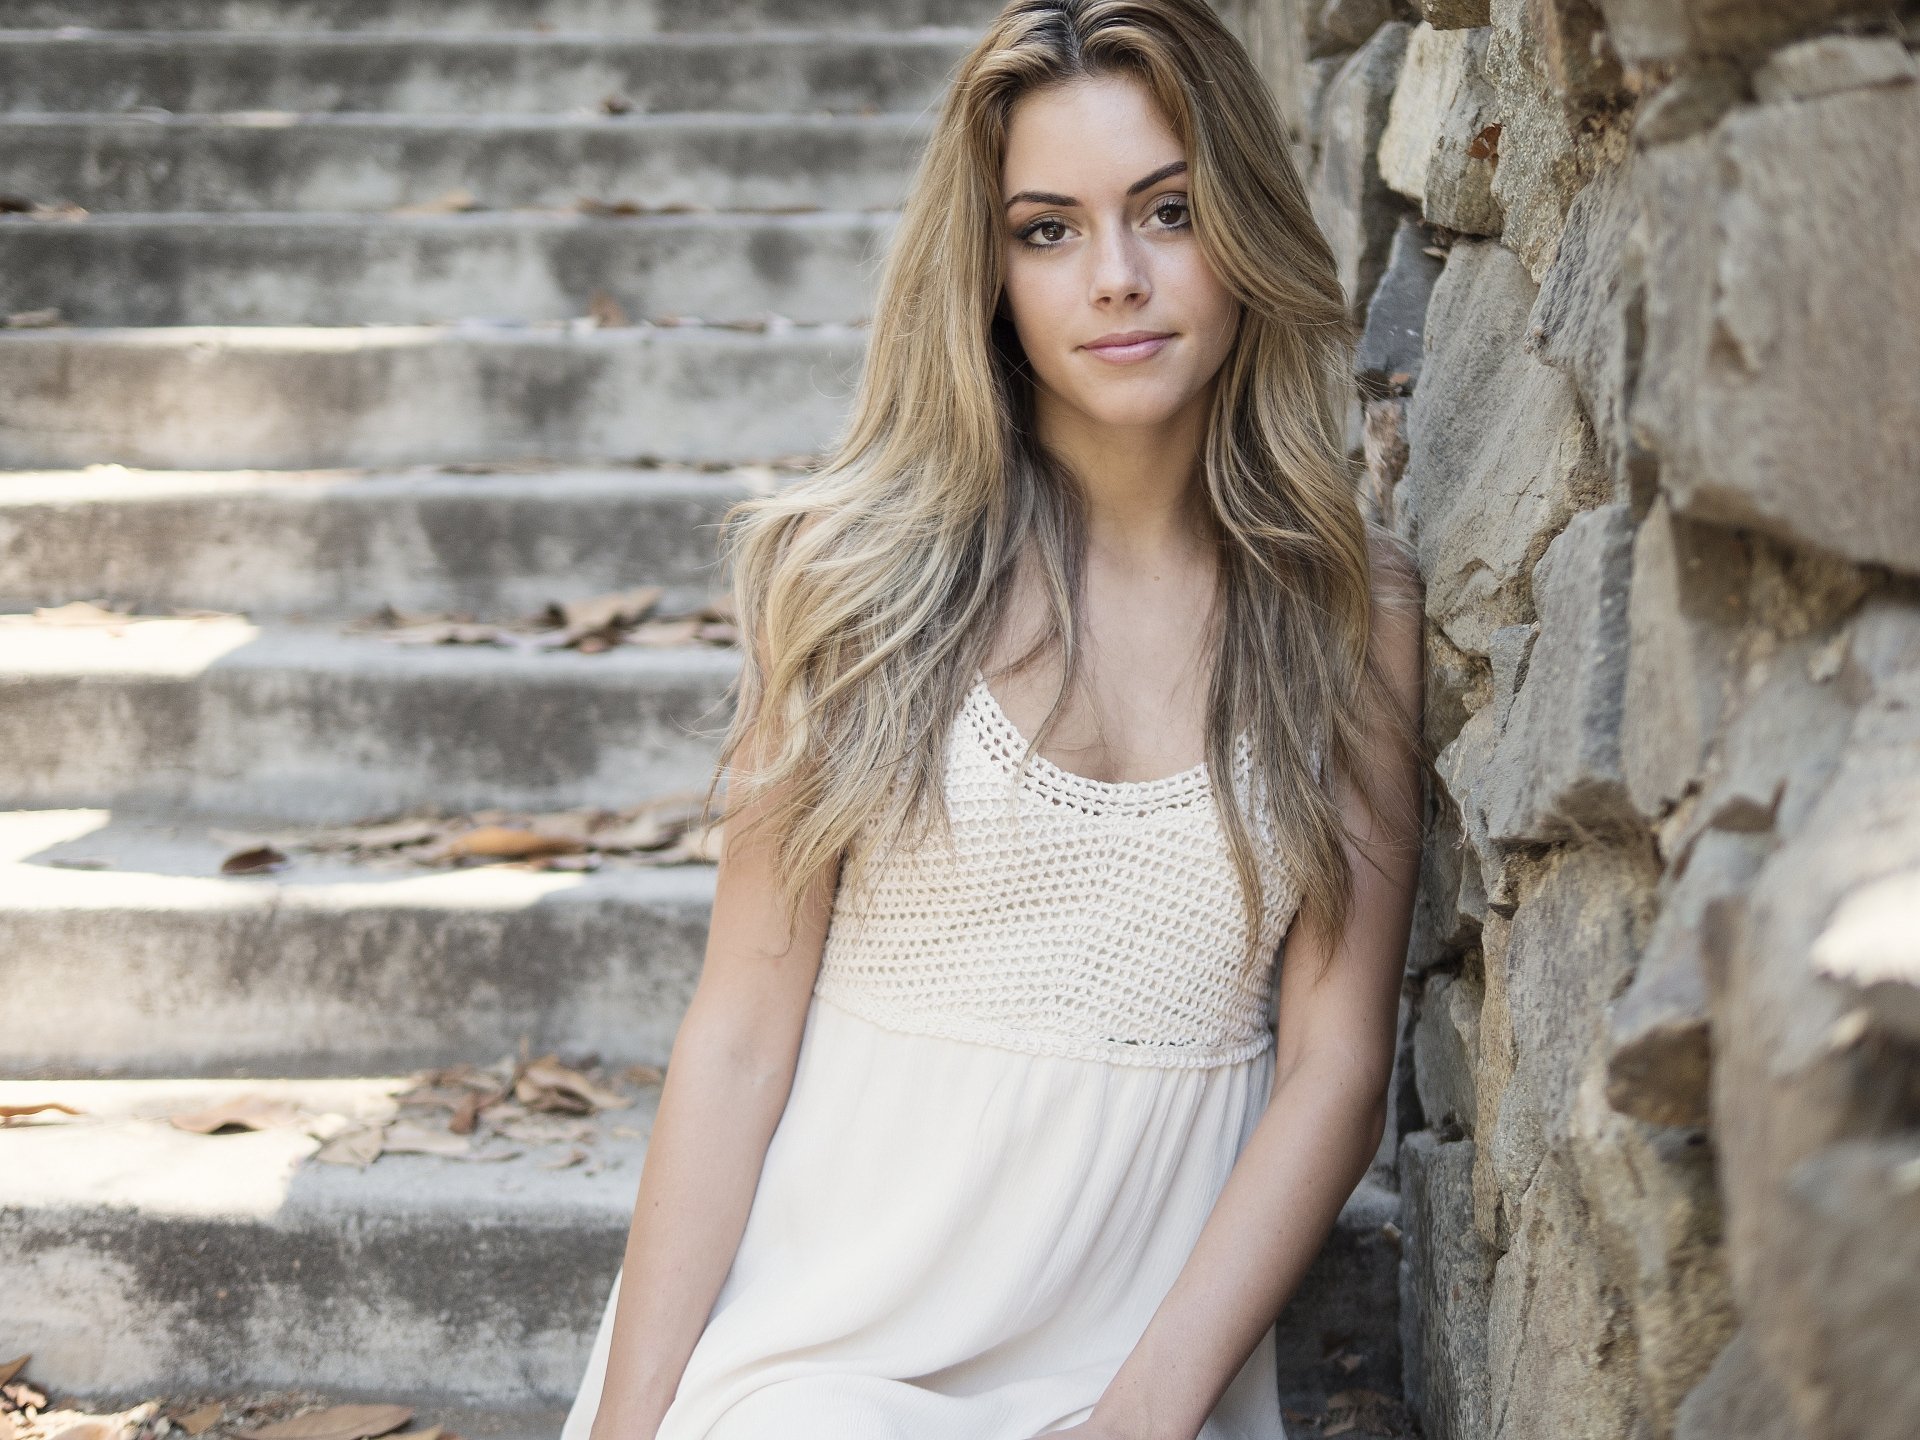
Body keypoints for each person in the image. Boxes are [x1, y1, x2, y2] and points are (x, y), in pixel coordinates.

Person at [562, 1, 1426, 1436]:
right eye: (1049, 230)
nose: (1117, 279)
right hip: (817, 1357)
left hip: (1135, 1376)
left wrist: (1140, 1418)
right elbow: (736, 1036)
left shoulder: (1346, 609)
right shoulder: (856, 578)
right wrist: (628, 1424)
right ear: (988, 268)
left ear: (1244, 227)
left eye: (1167, 211)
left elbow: (1337, 1074)